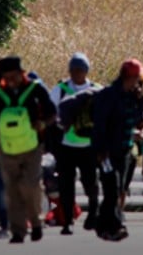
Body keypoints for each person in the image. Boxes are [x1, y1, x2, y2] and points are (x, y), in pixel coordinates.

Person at [0, 56, 56, 244]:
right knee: (12, 190)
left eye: (14, 76)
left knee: (30, 185)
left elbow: (52, 113)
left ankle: (36, 222)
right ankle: (18, 231)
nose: (10, 80)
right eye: (6, 77)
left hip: (33, 147)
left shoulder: (35, 89)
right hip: (6, 148)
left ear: (21, 73)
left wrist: (43, 123)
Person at [91, 59, 143, 241]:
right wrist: (100, 150)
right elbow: (99, 124)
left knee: (117, 189)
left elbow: (139, 121)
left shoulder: (135, 97)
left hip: (124, 151)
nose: (138, 83)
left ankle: (103, 225)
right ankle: (113, 226)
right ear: (127, 77)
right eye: (136, 79)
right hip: (106, 151)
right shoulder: (108, 96)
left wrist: (140, 101)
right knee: (112, 188)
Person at [49, 53, 101, 236]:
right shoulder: (60, 90)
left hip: (89, 146)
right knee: (65, 185)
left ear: (86, 71)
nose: (76, 73)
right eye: (73, 70)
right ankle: (68, 221)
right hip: (66, 146)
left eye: (80, 70)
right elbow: (50, 112)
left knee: (90, 182)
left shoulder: (97, 90)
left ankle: (93, 211)